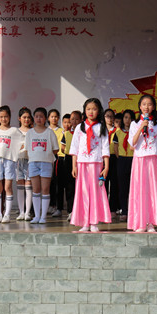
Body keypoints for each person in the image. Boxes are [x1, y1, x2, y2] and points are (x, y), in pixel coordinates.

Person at [127, 95, 157, 232]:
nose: (146, 107)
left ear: (154, 107)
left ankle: (151, 222)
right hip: (140, 160)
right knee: (140, 191)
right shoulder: (134, 124)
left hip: (154, 161)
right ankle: (140, 222)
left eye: (149, 104)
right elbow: (132, 144)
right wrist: (141, 127)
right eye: (144, 104)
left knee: (153, 191)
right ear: (140, 106)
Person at [69, 98, 111, 232]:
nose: (91, 112)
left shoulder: (101, 127)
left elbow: (105, 148)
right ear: (84, 111)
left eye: (94, 109)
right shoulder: (80, 127)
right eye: (88, 109)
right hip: (82, 163)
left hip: (96, 163)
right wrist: (74, 166)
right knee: (83, 192)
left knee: (95, 192)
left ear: (99, 111)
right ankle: (85, 222)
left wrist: (106, 167)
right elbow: (74, 148)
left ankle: (94, 222)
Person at [25, 107, 60, 224]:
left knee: (45, 189)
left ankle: (43, 217)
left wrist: (46, 156)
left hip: (46, 163)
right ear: (33, 118)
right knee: (35, 189)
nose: (39, 119)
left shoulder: (50, 133)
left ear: (45, 118)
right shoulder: (30, 133)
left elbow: (56, 149)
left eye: (41, 116)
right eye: (36, 116)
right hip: (33, 163)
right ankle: (36, 216)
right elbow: (27, 149)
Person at [114, 109, 135, 219]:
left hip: (133, 160)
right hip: (122, 160)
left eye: (130, 118)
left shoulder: (135, 132)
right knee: (123, 187)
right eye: (126, 117)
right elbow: (116, 148)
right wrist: (120, 158)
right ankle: (124, 211)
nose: (128, 120)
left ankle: (133, 211)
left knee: (133, 187)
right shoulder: (118, 132)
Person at [62, 110, 81, 220]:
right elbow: (62, 147)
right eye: (72, 119)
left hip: (81, 159)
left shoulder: (83, 132)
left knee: (80, 186)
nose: (74, 121)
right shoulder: (67, 133)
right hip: (69, 159)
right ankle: (71, 210)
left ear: (81, 120)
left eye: (76, 119)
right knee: (69, 186)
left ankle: (80, 209)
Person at [15, 107, 33, 221]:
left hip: (30, 161)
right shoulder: (15, 132)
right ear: (19, 118)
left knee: (29, 186)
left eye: (28, 117)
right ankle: (21, 212)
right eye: (24, 117)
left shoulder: (33, 131)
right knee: (20, 186)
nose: (26, 120)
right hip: (18, 160)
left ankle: (27, 212)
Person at [48, 109, 65, 217]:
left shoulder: (62, 131)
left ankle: (57, 206)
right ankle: (50, 204)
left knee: (57, 183)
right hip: (46, 158)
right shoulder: (45, 130)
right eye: (52, 116)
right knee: (48, 183)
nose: (54, 118)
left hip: (58, 157)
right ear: (48, 118)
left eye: (56, 116)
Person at [104, 109, 119, 215]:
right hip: (103, 158)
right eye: (107, 116)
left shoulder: (117, 131)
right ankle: (103, 208)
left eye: (111, 116)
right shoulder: (101, 130)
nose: (109, 118)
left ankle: (113, 208)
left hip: (114, 158)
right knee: (103, 183)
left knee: (114, 184)